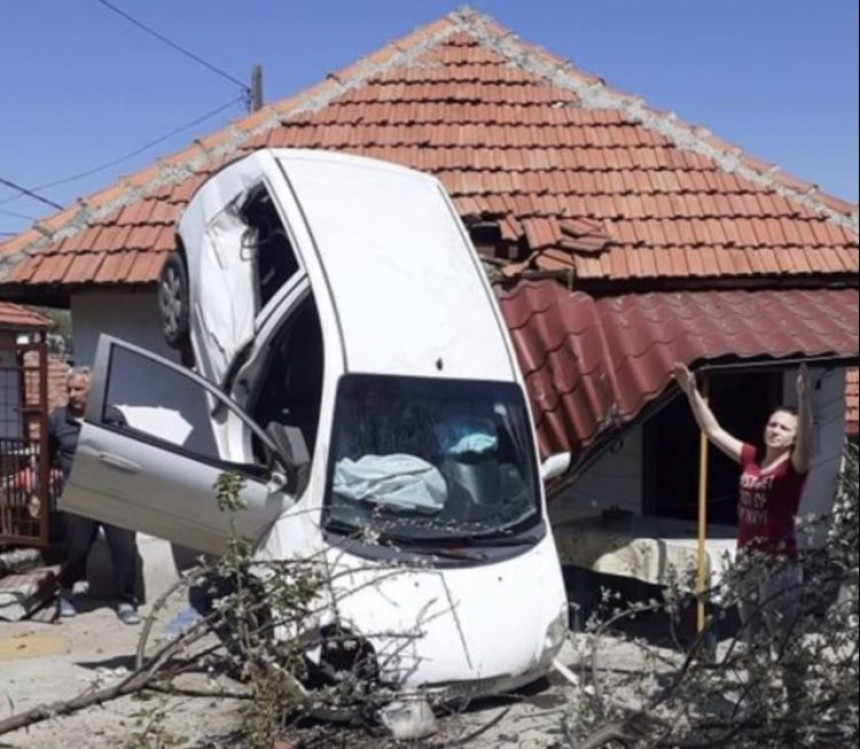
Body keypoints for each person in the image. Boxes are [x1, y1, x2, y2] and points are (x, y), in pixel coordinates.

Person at [672, 361, 813, 649]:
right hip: (747, 560)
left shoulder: (794, 466)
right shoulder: (751, 456)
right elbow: (713, 431)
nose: (775, 430)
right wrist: (691, 391)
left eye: (784, 428)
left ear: (794, 437)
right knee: (753, 636)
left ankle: (795, 694)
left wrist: (804, 398)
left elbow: (807, 441)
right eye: (772, 424)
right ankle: (759, 694)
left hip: (779, 563)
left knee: (784, 639)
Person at [47, 366, 141, 625]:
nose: (72, 394)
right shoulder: (57, 420)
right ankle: (66, 593)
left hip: (114, 494)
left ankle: (126, 601)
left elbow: (130, 451)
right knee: (76, 549)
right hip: (80, 496)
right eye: (69, 389)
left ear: (92, 391)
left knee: (124, 549)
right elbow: (45, 458)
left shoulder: (112, 416)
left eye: (78, 389)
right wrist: (36, 493)